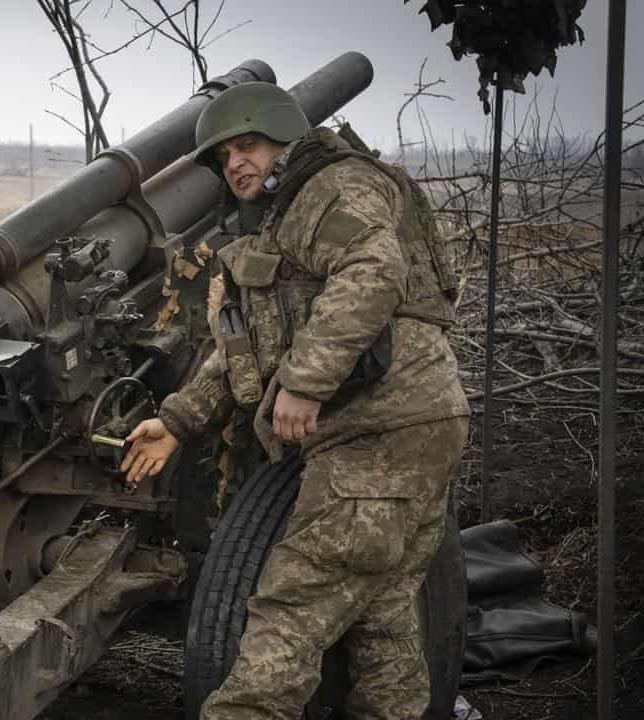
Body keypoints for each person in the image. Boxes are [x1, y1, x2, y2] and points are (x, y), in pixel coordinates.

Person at [121, 81, 468, 719]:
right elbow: (243, 350)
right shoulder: (281, 225)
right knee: (382, 614)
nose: (236, 165)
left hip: (379, 431)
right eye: (225, 158)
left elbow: (373, 271)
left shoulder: (334, 187)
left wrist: (307, 383)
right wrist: (175, 422)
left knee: (291, 609)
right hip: (411, 424)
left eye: (248, 145)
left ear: (286, 138)